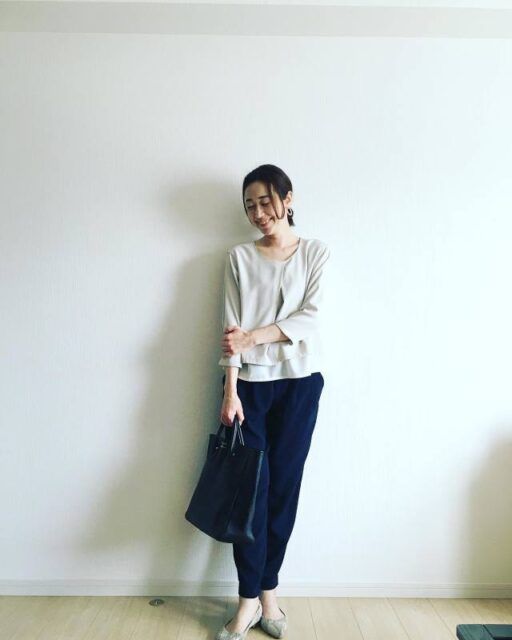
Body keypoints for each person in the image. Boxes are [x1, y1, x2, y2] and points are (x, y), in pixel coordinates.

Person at [215, 164, 330, 640]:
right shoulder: (239, 257)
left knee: (284, 490)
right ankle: (247, 601)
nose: (258, 213)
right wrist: (230, 390)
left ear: (287, 198)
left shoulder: (316, 252)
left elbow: (311, 317)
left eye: (265, 202)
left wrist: (254, 338)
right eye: (250, 206)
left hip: (301, 384)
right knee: (250, 494)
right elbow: (230, 328)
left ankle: (270, 594)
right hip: (250, 387)